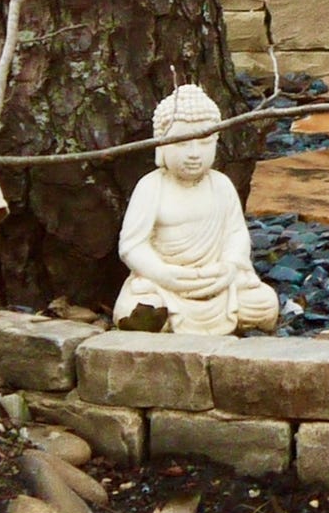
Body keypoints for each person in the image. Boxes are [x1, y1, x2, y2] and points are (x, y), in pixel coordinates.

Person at [112, 83, 278, 335]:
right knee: (137, 307)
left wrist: (230, 266)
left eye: (204, 142)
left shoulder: (221, 185)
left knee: (263, 303)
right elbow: (132, 245)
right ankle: (156, 318)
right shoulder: (151, 187)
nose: (194, 154)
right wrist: (163, 274)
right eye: (182, 143)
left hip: (218, 284)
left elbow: (235, 234)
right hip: (166, 285)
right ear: (161, 145)